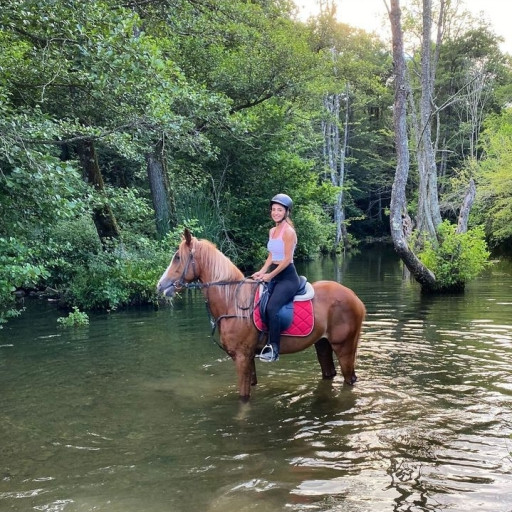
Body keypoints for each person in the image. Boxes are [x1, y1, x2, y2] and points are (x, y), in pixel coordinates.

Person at [252, 194, 300, 362]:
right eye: (273, 209)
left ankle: (274, 348)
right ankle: (258, 342)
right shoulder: (272, 230)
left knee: (272, 308)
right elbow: (272, 255)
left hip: (287, 278)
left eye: (279, 210)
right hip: (273, 273)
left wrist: (269, 275)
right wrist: (261, 271)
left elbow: (287, 259)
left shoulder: (289, 232)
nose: (276, 212)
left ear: (287, 212)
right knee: (258, 303)